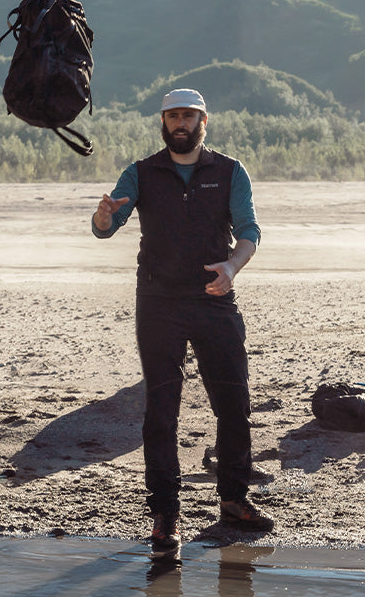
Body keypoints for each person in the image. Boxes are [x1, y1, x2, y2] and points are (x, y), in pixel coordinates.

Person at [91, 88, 273, 551]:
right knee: (162, 411)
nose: (179, 123)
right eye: (172, 116)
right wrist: (102, 218)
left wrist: (231, 268)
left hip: (215, 300)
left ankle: (233, 498)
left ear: (203, 122)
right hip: (159, 303)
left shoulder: (230, 171)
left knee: (234, 405)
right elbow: (111, 223)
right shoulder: (142, 172)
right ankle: (166, 514)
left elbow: (249, 231)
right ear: (163, 122)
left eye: (188, 116)